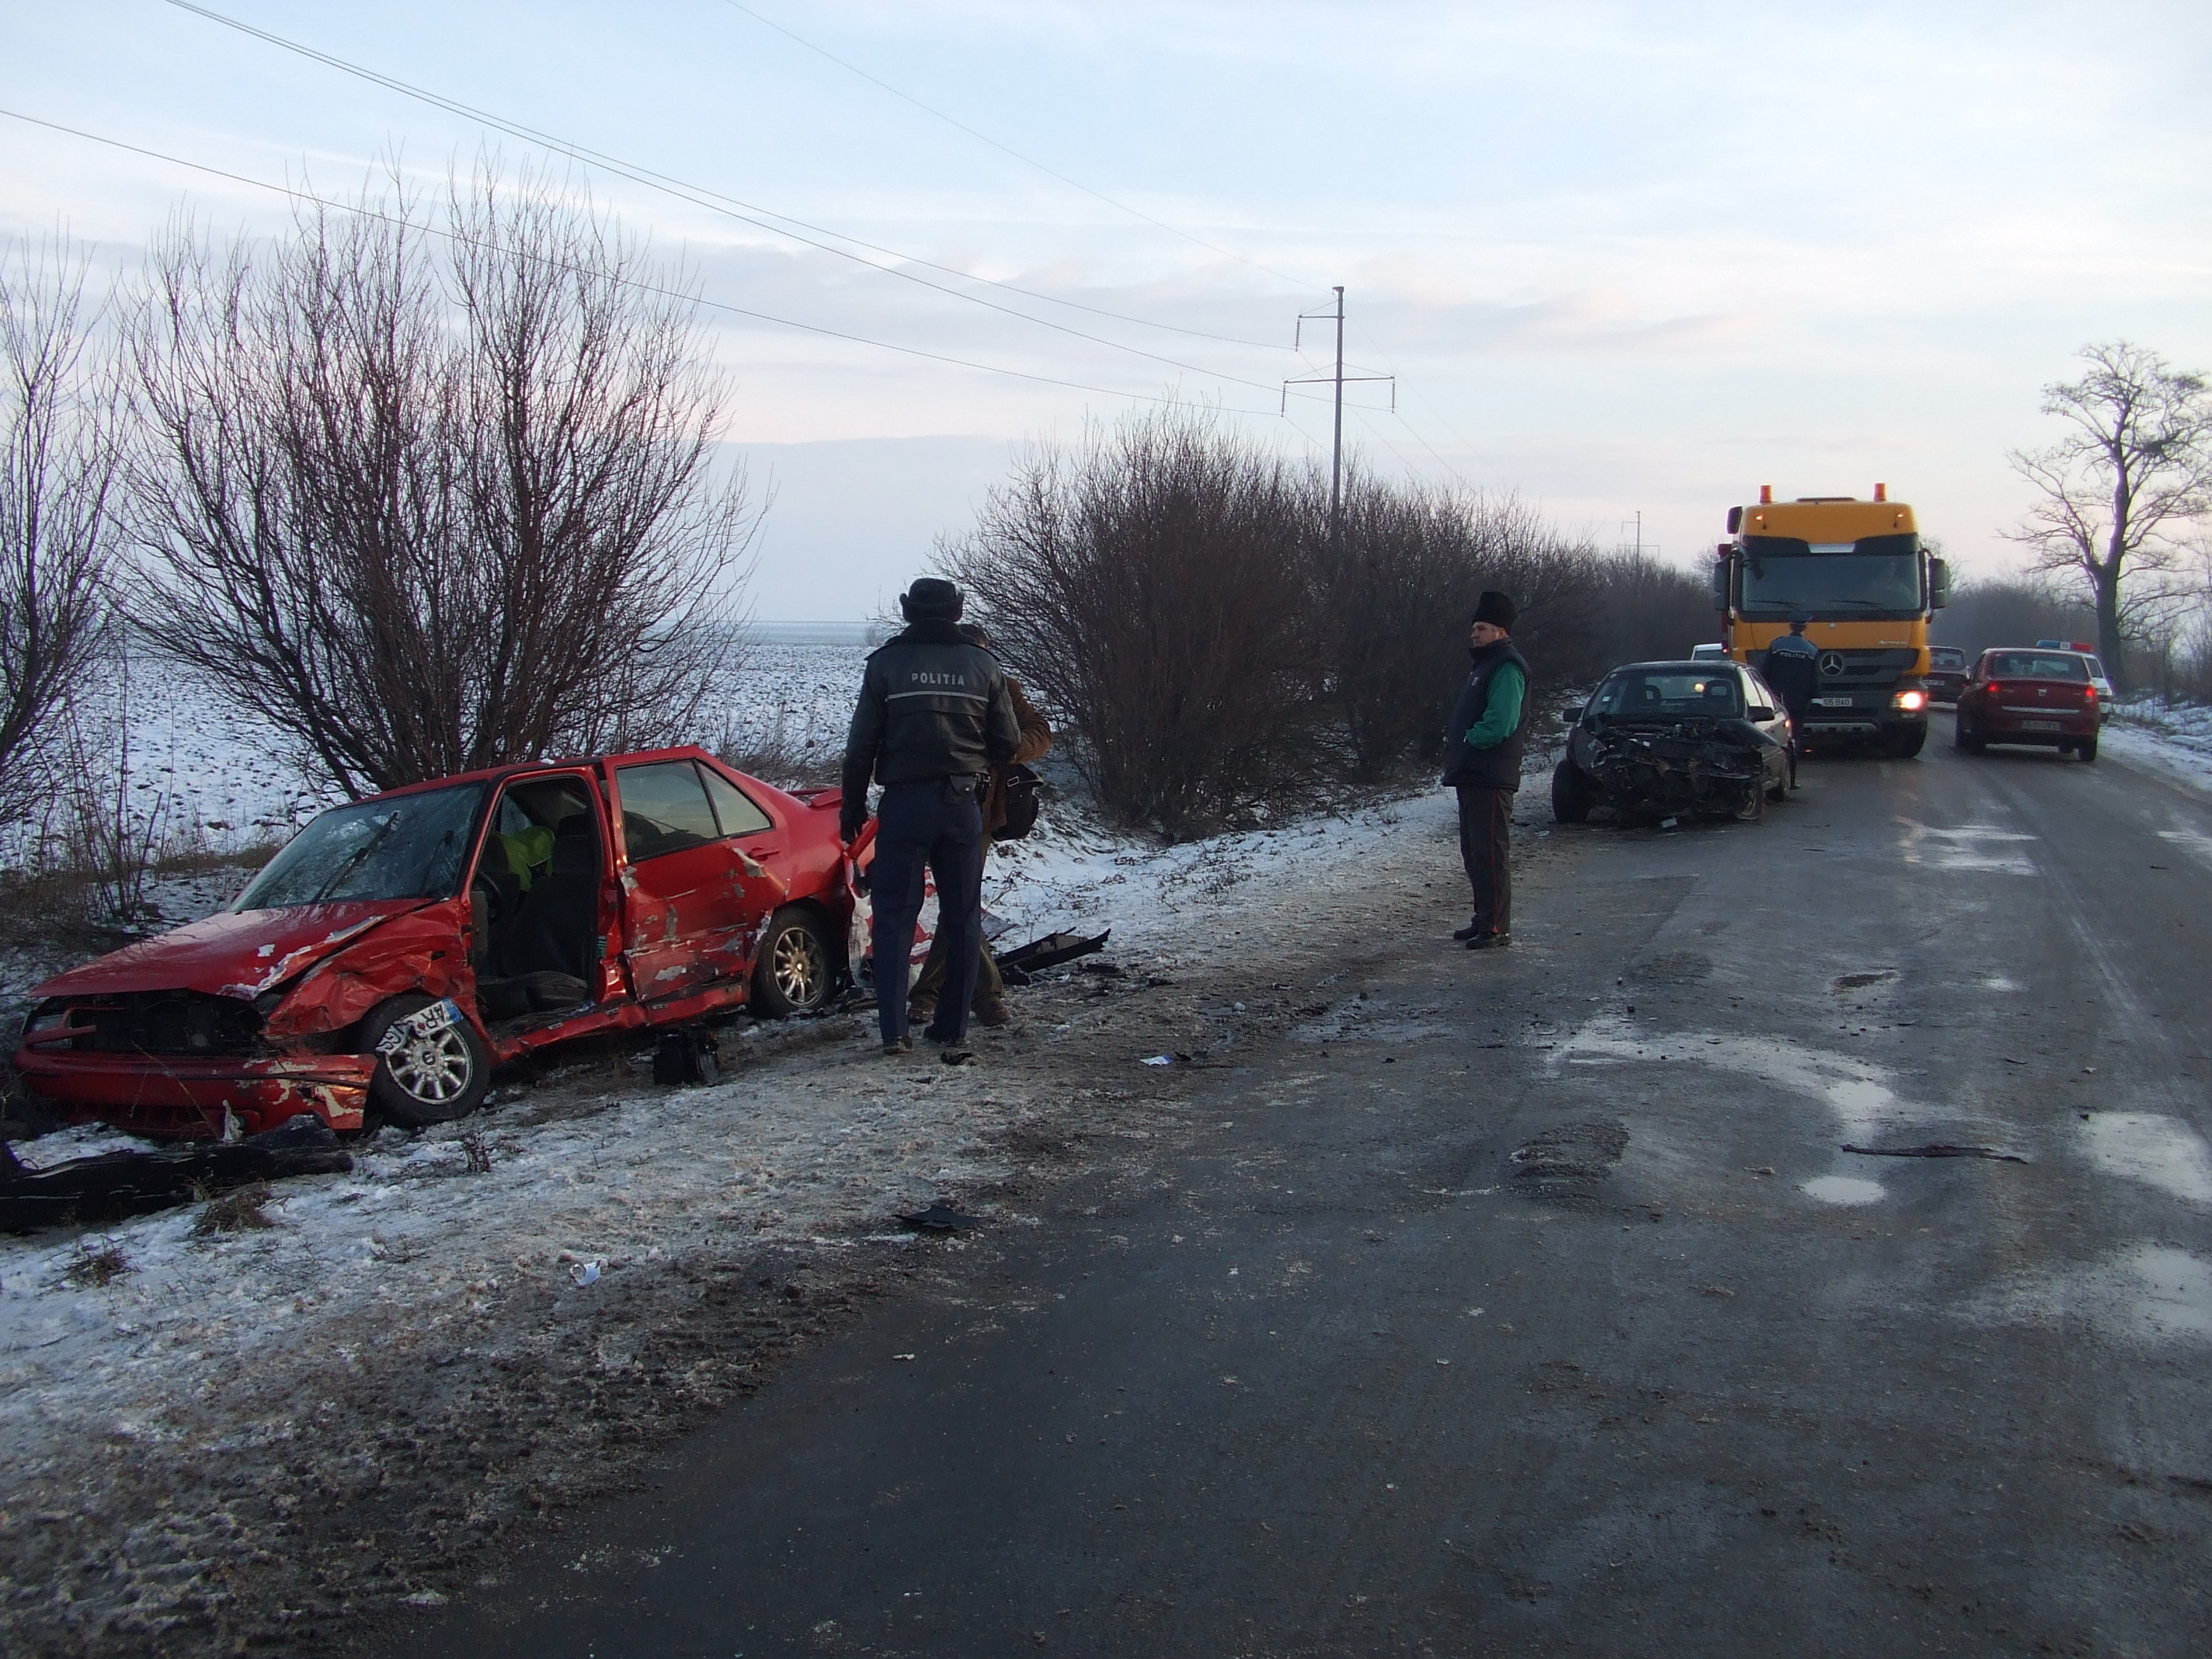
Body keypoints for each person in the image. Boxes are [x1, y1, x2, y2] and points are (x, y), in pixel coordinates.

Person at [841, 578, 1021, 1056]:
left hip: (903, 806)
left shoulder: (884, 665)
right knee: (961, 917)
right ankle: (953, 1028)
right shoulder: (984, 665)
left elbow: (860, 749)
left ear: (906, 611)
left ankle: (893, 1031)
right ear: (959, 612)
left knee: (895, 916)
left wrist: (852, 807)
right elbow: (1007, 742)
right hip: (963, 806)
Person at [907, 622, 1053, 1029]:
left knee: (961, 905)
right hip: (929, 805)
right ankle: (979, 997)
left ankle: (945, 996)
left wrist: (1006, 750)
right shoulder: (927, 685)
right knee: (961, 906)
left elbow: (1040, 733)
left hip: (980, 811)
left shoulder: (1004, 687)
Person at [1442, 590, 1530, 951]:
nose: (1474, 634)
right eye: (1473, 628)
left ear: (1501, 631)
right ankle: (1483, 920)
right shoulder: (1485, 665)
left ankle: (1496, 927)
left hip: (1490, 776)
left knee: (1490, 852)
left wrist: (1470, 739)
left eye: (1481, 628)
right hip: (1473, 774)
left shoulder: (1506, 666)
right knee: (1475, 851)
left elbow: (1501, 722)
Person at [1762, 613, 1819, 788]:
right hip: (1798, 704)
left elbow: (1765, 673)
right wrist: (1816, 699)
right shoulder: (1811, 649)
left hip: (1777, 702)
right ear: (1805, 627)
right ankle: (1791, 780)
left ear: (1790, 626)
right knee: (1794, 739)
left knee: (1776, 738)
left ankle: (1776, 773)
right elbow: (1814, 678)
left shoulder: (1776, 645)